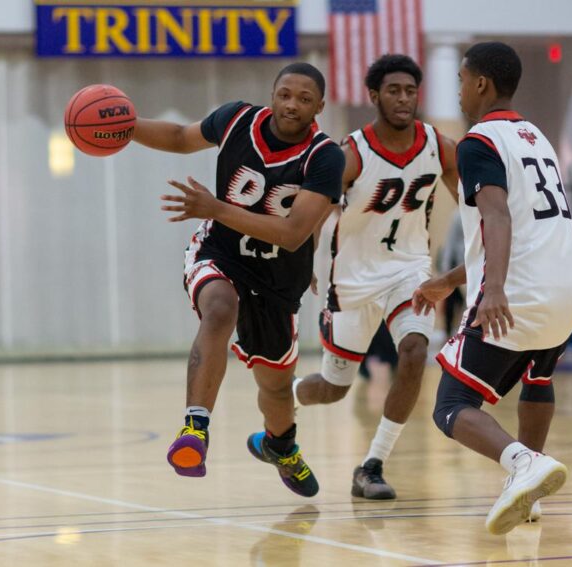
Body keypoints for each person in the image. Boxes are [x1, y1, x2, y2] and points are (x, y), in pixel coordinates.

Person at [134, 62, 345, 497]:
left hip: (278, 279)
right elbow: (177, 137)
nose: (292, 105)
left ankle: (280, 445)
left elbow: (291, 235)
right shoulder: (235, 120)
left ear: (319, 106)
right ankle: (195, 428)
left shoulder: (326, 156)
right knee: (218, 309)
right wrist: (126, 126)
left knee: (275, 388)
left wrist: (217, 208)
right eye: (285, 94)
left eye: (304, 99)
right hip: (221, 254)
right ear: (272, 94)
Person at [413, 42, 572, 535]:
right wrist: (449, 282)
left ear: (480, 84)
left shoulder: (477, 141)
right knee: (537, 379)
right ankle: (529, 491)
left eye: (460, 83)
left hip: (521, 296)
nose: (459, 93)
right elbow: (530, 229)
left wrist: (492, 290)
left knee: (451, 406)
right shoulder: (535, 135)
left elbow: (497, 215)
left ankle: (522, 464)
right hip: (570, 290)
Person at [292, 54, 459, 500]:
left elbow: (475, 202)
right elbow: (312, 212)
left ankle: (372, 465)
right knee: (332, 389)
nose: (403, 99)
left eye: (410, 90)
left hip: (409, 269)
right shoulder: (350, 154)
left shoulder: (439, 146)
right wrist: (302, 262)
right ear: (374, 96)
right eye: (393, 90)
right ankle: (283, 398)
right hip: (351, 280)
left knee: (413, 352)